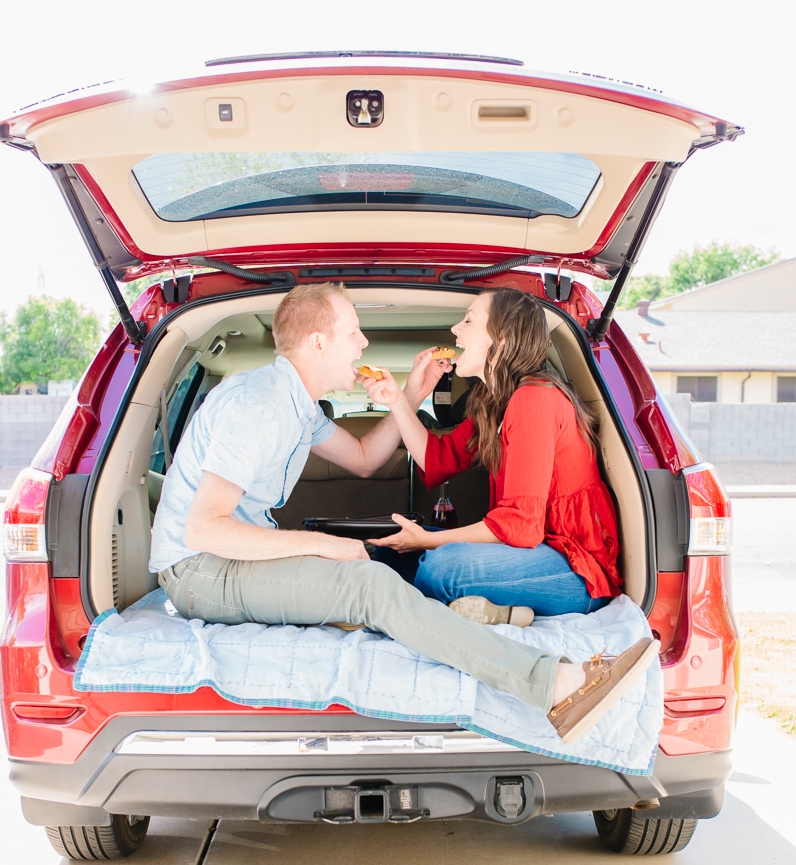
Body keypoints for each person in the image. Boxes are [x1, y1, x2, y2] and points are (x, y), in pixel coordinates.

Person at [149, 283, 656, 744]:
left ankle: (501, 649)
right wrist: (327, 546)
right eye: (354, 332)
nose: (364, 343)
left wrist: (407, 396)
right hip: (200, 569)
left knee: (376, 571)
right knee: (368, 580)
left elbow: (367, 460)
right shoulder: (258, 403)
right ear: (318, 344)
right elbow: (204, 528)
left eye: (469, 322)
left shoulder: (297, 407)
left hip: (567, 556)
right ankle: (554, 681)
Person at [369, 287, 623, 628]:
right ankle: (488, 611)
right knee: (388, 554)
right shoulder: (494, 403)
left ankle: (486, 612)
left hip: (577, 571)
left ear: (501, 338)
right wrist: (398, 400)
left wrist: (428, 539)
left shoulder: (534, 399)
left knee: (440, 567)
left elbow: (521, 525)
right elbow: (437, 459)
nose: (456, 330)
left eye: (469, 320)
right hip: (530, 553)